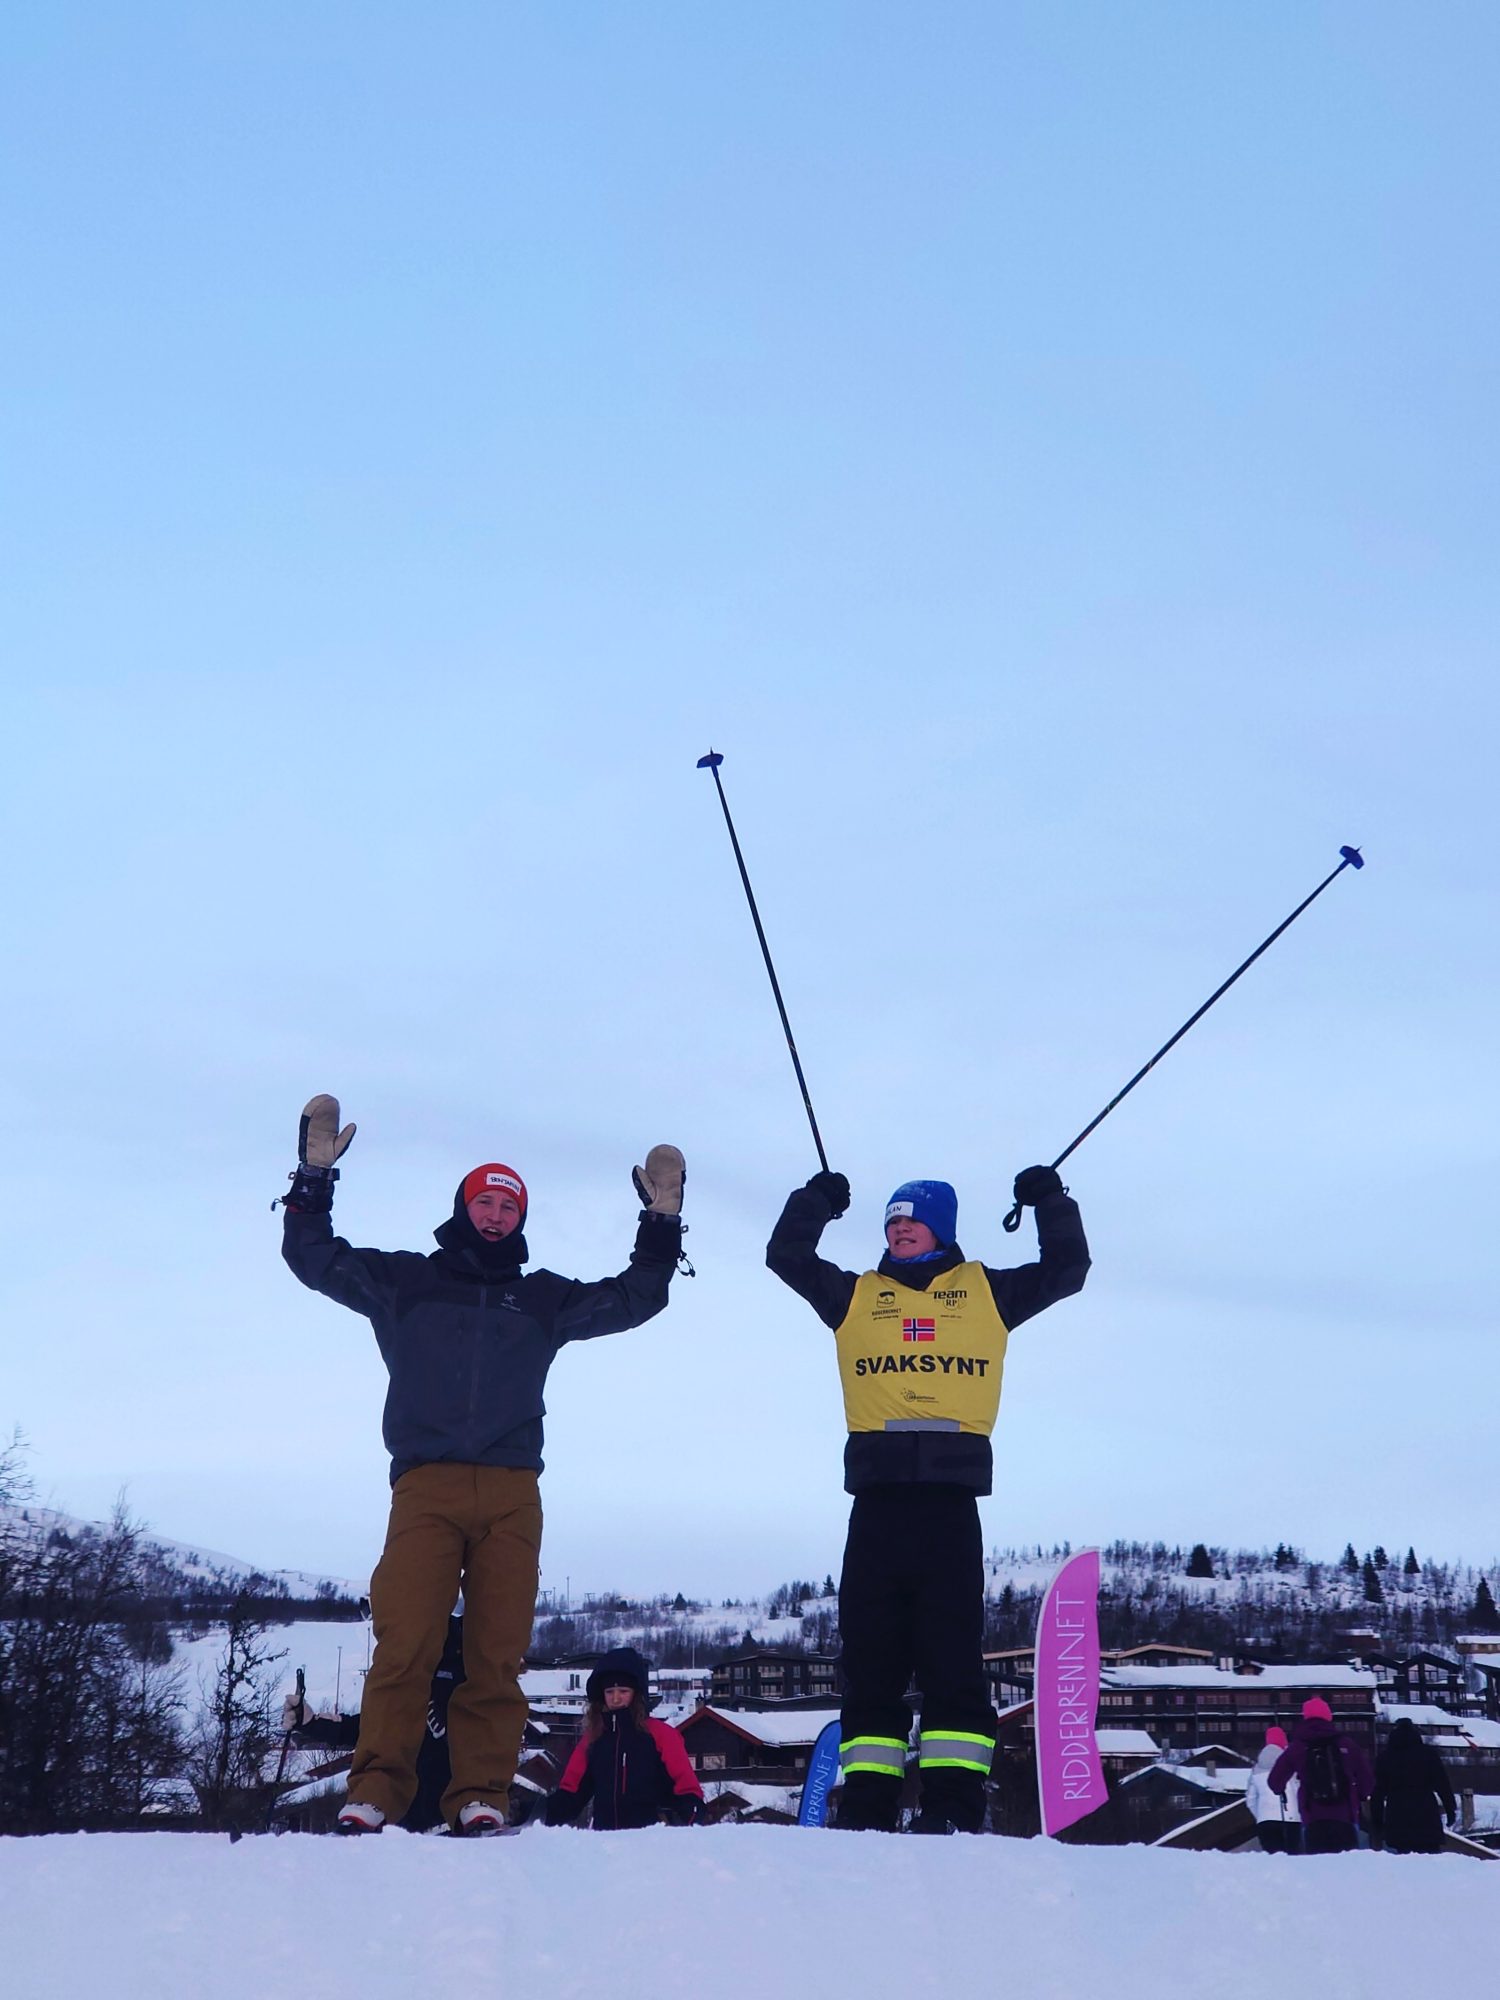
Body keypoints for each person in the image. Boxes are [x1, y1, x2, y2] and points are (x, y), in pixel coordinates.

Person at [279, 1094, 687, 1836]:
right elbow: (312, 1259)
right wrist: (313, 1179)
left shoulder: (541, 1300)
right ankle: (373, 1792)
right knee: (406, 1647)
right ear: (463, 1208)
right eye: (486, 1202)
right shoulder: (406, 1284)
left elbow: (635, 1298)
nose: (497, 1215)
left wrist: (661, 1222)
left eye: (509, 1205)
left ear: (520, 1219)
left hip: (510, 1492)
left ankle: (481, 1796)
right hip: (425, 1486)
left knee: (496, 1658)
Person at [766, 1164, 1090, 1834]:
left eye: (912, 1219)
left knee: (951, 1663)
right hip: (878, 1505)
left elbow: (1067, 1269)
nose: (900, 1228)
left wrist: (1050, 1202)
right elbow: (786, 1255)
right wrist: (816, 1202)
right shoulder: (856, 1295)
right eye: (891, 1221)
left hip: (949, 1506)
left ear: (940, 1227)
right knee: (870, 1663)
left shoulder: (987, 1294)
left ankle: (952, 1810)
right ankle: (867, 1810)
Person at [279, 1609, 466, 1833]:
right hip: (399, 1826)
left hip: (456, 1824)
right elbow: (372, 1728)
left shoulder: (468, 1656)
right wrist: (311, 1723)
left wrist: (452, 1726)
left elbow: (497, 1733)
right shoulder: (402, 1666)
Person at [543, 1647, 703, 1829]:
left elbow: (686, 1789)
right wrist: (530, 1812)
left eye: (623, 1691)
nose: (616, 1699)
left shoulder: (662, 1735)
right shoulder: (593, 1739)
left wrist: (693, 1814)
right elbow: (570, 1796)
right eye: (610, 1692)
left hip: (653, 1841)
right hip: (606, 1844)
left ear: (636, 1694)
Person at [1270, 1697, 1373, 1854]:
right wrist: (1358, 1796)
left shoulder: (1297, 1747)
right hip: (1345, 1817)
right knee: (1349, 1869)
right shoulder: (1346, 1744)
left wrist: (1280, 1790)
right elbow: (1367, 1781)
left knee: (1317, 1870)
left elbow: (1274, 1781)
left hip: (1313, 1818)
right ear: (1329, 1717)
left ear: (1305, 1718)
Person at [1372, 1717, 1457, 1854]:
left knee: (1403, 1858)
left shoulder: (1385, 1757)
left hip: (1397, 1814)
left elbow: (1378, 1792)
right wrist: (1450, 1809)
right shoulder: (1428, 1754)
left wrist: (1377, 1821)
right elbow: (1443, 1784)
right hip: (1426, 1813)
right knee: (1430, 1859)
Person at [1246, 1725, 1300, 1853]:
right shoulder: (1291, 1764)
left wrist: (1261, 1815)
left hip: (1265, 1821)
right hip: (1291, 1819)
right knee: (1293, 1860)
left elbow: (1250, 1800)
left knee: (1273, 1860)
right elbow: (1298, 1791)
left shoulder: (1256, 1769)